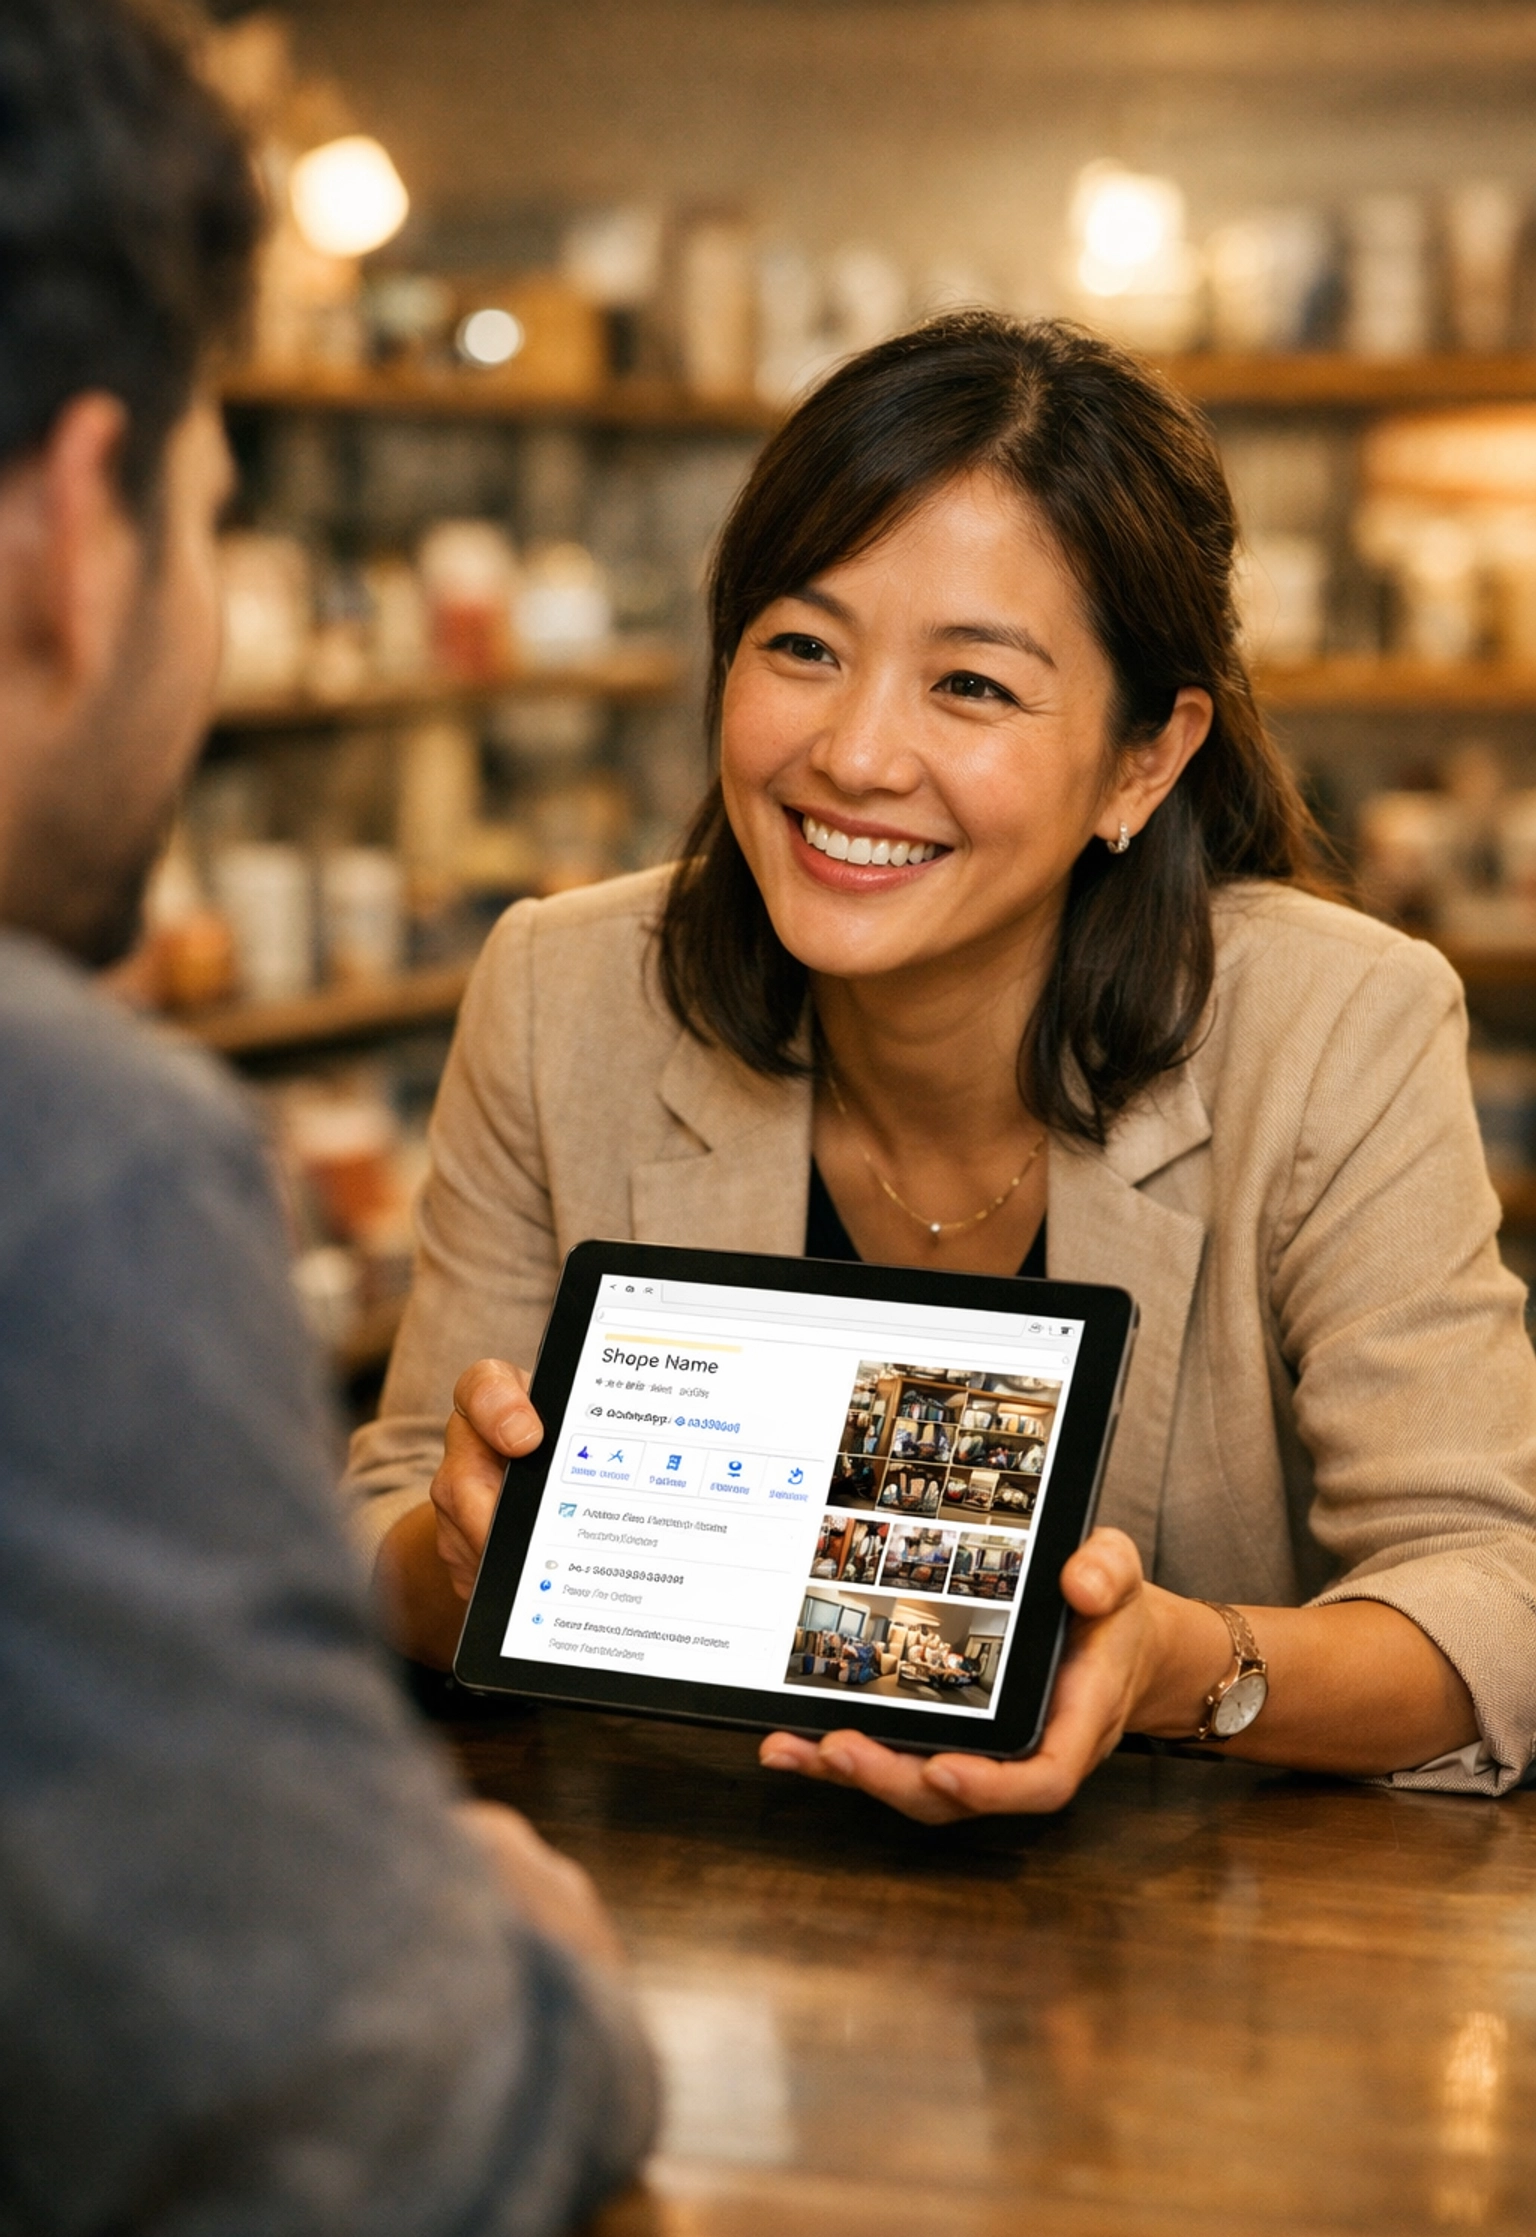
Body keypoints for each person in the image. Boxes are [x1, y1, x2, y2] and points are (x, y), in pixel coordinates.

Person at [348, 312, 1536, 1821]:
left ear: (1144, 760)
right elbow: (378, 1511)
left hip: (1180, 1971)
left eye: (969, 686)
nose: (852, 753)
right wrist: (455, 1555)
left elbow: (1498, 1600)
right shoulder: (562, 989)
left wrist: (1179, 1667)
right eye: (802, 647)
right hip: (677, 1896)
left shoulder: (1335, 1026)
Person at [0, 2, 652, 2237]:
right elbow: (375, 2156)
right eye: (210, 513)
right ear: (82, 531)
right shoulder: (64, 1156)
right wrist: (518, 1954)